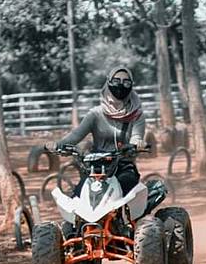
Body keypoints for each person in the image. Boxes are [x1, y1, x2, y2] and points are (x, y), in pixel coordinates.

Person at [45, 67, 146, 196]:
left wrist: (137, 144)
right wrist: (57, 144)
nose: (120, 85)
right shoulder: (95, 114)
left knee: (128, 190)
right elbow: (76, 135)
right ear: (108, 83)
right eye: (116, 81)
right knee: (79, 195)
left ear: (131, 85)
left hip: (124, 167)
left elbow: (137, 136)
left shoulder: (136, 115)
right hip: (96, 168)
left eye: (126, 82)